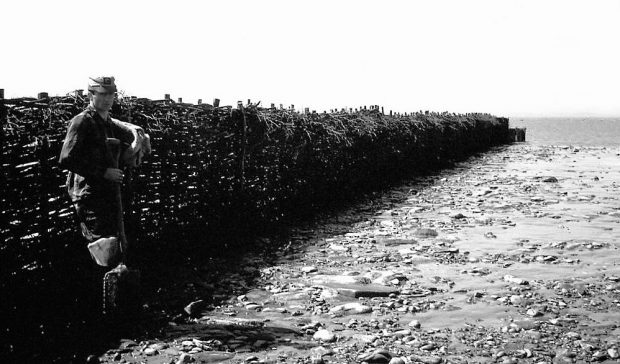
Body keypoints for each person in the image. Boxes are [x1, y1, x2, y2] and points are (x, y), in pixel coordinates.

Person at [59, 76, 150, 266]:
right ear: (91, 95)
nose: (108, 99)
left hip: (106, 193)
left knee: (111, 247)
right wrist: (103, 172)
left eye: (111, 94)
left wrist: (136, 146)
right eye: (102, 94)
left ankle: (112, 290)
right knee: (102, 248)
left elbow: (119, 154)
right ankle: (100, 290)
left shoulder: (108, 123)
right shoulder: (82, 121)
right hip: (88, 195)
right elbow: (67, 158)